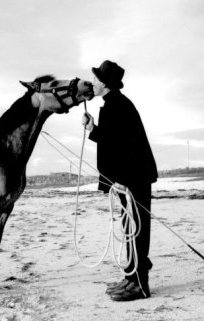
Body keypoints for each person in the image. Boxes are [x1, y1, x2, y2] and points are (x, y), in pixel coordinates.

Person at [82, 60, 158, 301]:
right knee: (129, 230)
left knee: (137, 230)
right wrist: (93, 128)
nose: (92, 83)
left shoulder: (119, 105)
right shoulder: (113, 103)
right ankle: (131, 279)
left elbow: (129, 147)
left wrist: (122, 179)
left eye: (95, 79)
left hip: (134, 178)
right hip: (129, 178)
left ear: (104, 84)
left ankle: (141, 286)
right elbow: (111, 140)